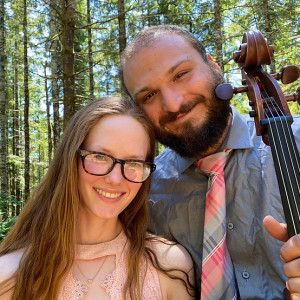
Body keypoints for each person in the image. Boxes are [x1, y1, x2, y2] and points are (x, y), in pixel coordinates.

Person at [119, 25, 300, 299]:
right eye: (149, 96)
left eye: (180, 74)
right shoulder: (142, 190)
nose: (173, 103)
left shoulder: (295, 142)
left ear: (213, 66)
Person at [0, 97, 195, 300]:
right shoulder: (10, 277)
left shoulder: (170, 268)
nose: (115, 179)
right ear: (70, 160)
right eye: (100, 157)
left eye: (134, 163)